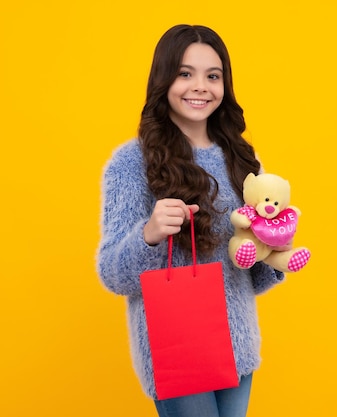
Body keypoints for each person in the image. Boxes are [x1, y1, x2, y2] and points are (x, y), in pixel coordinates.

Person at [97, 24, 296, 417]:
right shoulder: (131, 163)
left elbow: (249, 278)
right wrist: (149, 235)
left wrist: (272, 250)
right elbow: (111, 274)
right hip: (175, 346)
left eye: (213, 75)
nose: (200, 86)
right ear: (163, 79)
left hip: (236, 345)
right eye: (185, 73)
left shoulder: (242, 161)